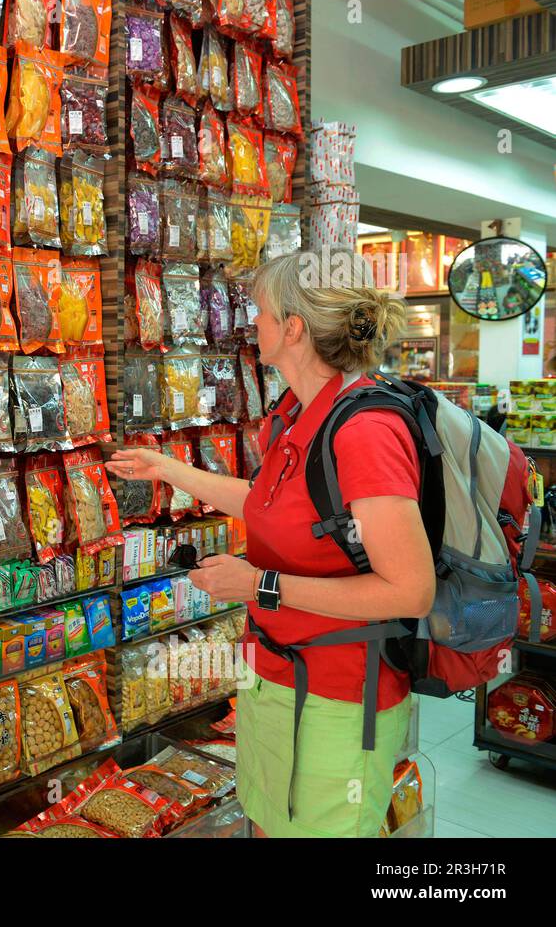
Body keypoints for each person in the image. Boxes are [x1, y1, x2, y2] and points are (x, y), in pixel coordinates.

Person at [106, 248, 436, 837]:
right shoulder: (300, 413)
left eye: (258, 312)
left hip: (339, 700)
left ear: (293, 328)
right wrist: (169, 470)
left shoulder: (365, 433)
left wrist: (258, 585)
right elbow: (268, 504)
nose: (249, 324)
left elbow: (410, 591)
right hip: (275, 681)